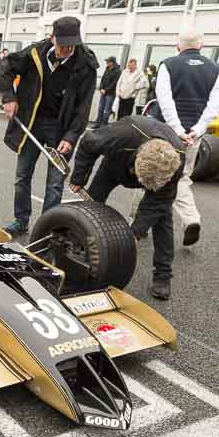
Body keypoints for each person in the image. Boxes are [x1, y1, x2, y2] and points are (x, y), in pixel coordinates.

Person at [0, 16, 98, 237]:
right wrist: (8, 97)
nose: (66, 50)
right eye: (62, 45)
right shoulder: (35, 53)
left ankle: (48, 229)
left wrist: (71, 137)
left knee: (55, 184)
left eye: (71, 45)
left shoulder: (86, 65)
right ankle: (20, 220)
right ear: (51, 37)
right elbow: (6, 66)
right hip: (32, 122)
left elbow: (83, 107)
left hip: (62, 129)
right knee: (22, 175)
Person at [70, 116, 185, 300]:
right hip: (115, 166)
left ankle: (163, 275)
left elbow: (155, 205)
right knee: (90, 206)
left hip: (157, 181)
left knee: (163, 217)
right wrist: (78, 178)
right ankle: (76, 246)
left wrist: (135, 233)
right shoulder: (121, 134)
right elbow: (87, 143)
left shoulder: (176, 159)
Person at [156, 28, 219, 247]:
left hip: (167, 132)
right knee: (182, 175)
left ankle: (140, 222)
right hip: (195, 135)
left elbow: (165, 100)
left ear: (178, 46)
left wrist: (177, 129)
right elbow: (214, 105)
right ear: (201, 46)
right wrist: (196, 129)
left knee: (153, 173)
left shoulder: (168, 64)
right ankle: (189, 219)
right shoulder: (215, 68)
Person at [97, 56, 120, 126]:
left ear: (112, 62)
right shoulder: (107, 69)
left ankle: (104, 124)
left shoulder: (118, 71)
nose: (107, 63)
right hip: (103, 92)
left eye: (108, 62)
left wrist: (106, 89)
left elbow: (114, 83)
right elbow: (103, 79)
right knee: (100, 108)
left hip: (110, 93)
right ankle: (98, 122)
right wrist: (101, 88)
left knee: (106, 110)